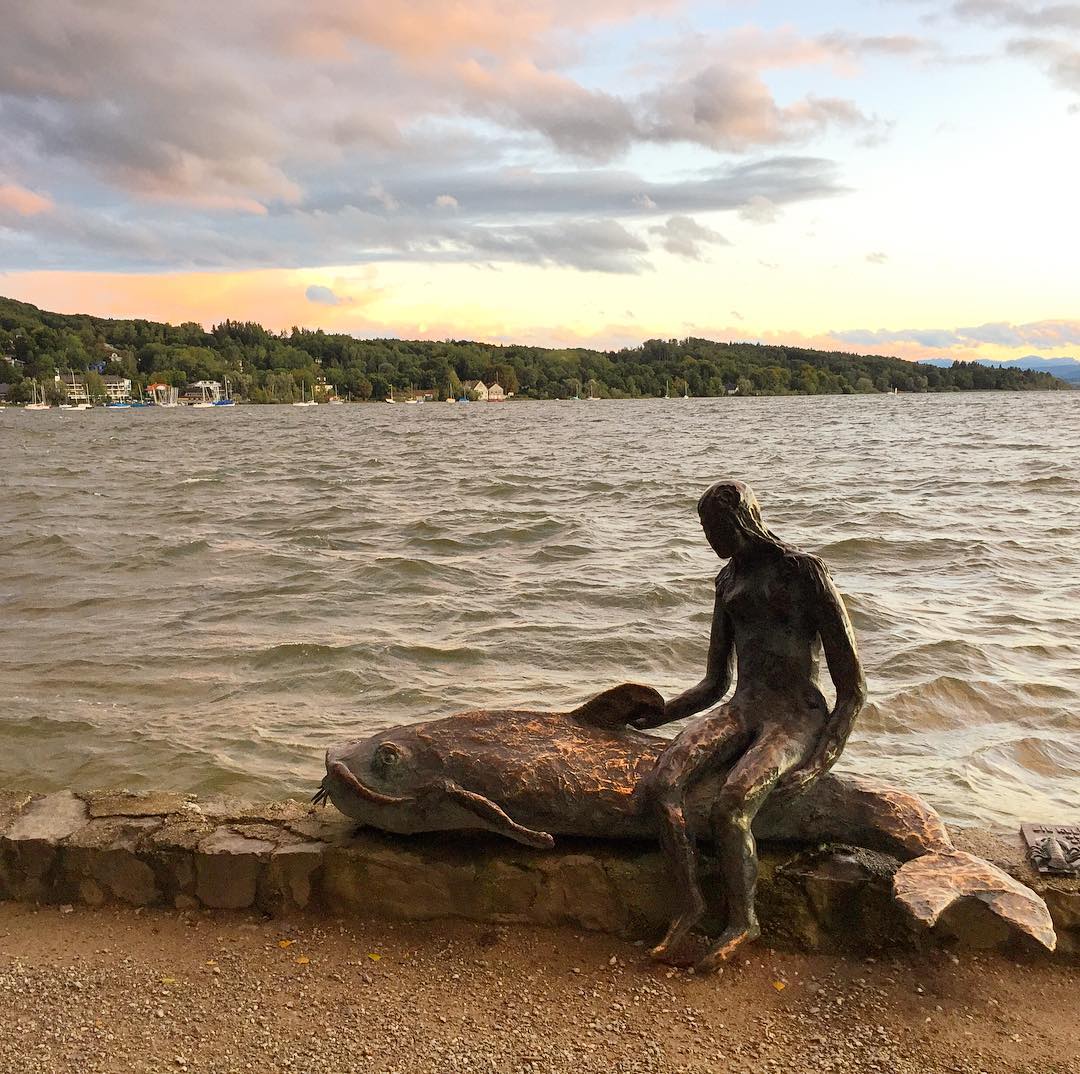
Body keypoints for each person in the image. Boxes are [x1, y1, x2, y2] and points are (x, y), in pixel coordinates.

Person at [636, 480, 866, 972]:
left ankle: (743, 920)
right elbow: (714, 682)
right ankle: (689, 905)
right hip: (743, 705)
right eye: (704, 529)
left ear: (743, 521)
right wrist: (658, 715)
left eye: (716, 527)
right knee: (662, 782)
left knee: (735, 801)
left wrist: (823, 757)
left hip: (795, 713)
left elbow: (852, 689)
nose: (710, 539)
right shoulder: (726, 583)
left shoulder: (803, 573)